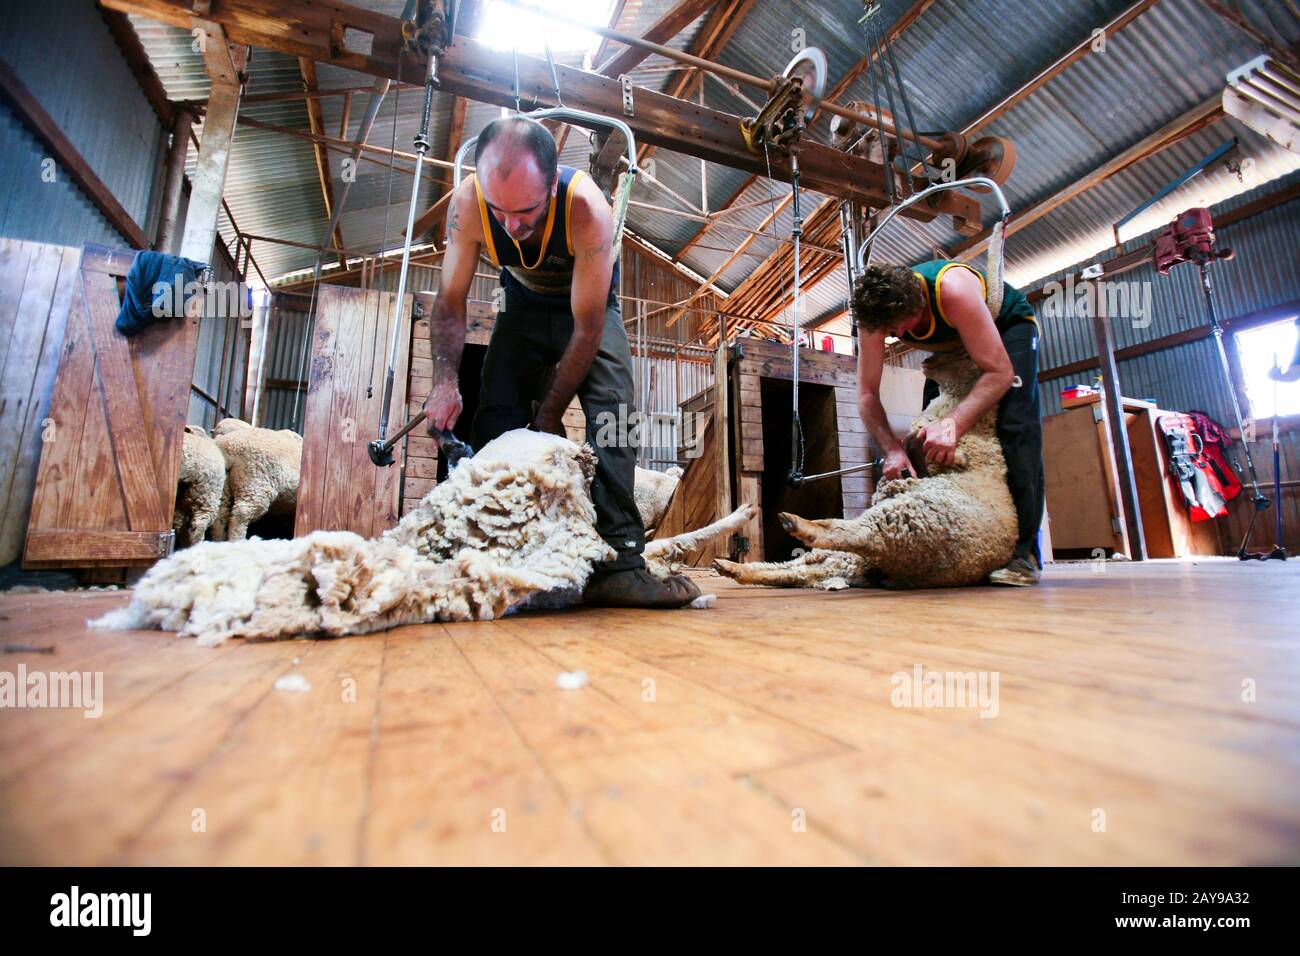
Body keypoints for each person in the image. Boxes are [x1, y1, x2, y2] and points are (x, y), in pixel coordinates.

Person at [421, 116, 699, 608]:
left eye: (525, 210)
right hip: (522, 304)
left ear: (552, 184)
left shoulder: (589, 208)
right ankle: (486, 548)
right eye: (498, 210)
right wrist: (445, 380)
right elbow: (450, 300)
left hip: (589, 310)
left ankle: (621, 559)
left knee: (616, 414)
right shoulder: (467, 202)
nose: (510, 225)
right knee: (496, 411)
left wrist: (549, 414)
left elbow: (587, 328)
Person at [851, 259, 1044, 586]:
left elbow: (999, 373)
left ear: (919, 301)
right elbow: (867, 393)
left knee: (1015, 428)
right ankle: (949, 547)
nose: (898, 335)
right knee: (923, 439)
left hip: (1004, 330)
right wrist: (891, 450)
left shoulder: (952, 290)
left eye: (902, 325)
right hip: (951, 348)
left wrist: (954, 423)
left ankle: (1024, 555)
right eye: (890, 331)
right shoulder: (875, 318)